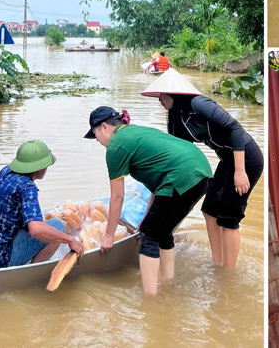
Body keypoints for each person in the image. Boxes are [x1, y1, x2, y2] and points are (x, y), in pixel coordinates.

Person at [142, 69, 264, 269]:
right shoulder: (176, 117)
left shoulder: (198, 104)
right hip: (226, 160)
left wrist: (240, 171)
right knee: (209, 211)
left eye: (161, 95)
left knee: (229, 218)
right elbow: (178, 155)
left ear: (173, 93)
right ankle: (217, 262)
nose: (159, 100)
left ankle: (228, 273)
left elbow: (233, 128)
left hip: (246, 158)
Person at [85, 106, 213, 295]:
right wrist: (146, 218)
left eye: (95, 135)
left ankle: (150, 298)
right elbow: (157, 187)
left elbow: (117, 197)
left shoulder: (116, 146)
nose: (97, 140)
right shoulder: (135, 133)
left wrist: (108, 235)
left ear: (104, 127)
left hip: (181, 176)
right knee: (162, 229)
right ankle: (168, 283)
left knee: (149, 235)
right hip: (201, 172)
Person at [0, 140, 84, 270]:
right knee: (58, 226)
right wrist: (70, 240)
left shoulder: (6, 171)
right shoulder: (27, 188)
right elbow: (36, 229)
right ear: (40, 169)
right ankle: (33, 271)